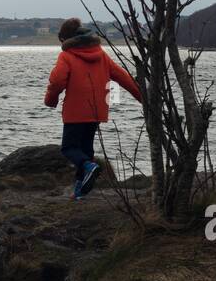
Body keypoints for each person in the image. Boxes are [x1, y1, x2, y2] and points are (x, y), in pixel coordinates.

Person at [43, 18, 142, 200]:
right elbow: (123, 77)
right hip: (97, 111)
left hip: (75, 111)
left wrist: (50, 100)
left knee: (69, 148)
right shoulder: (101, 54)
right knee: (86, 150)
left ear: (66, 38)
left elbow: (57, 81)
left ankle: (89, 168)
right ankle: (80, 192)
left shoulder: (67, 56)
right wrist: (144, 97)